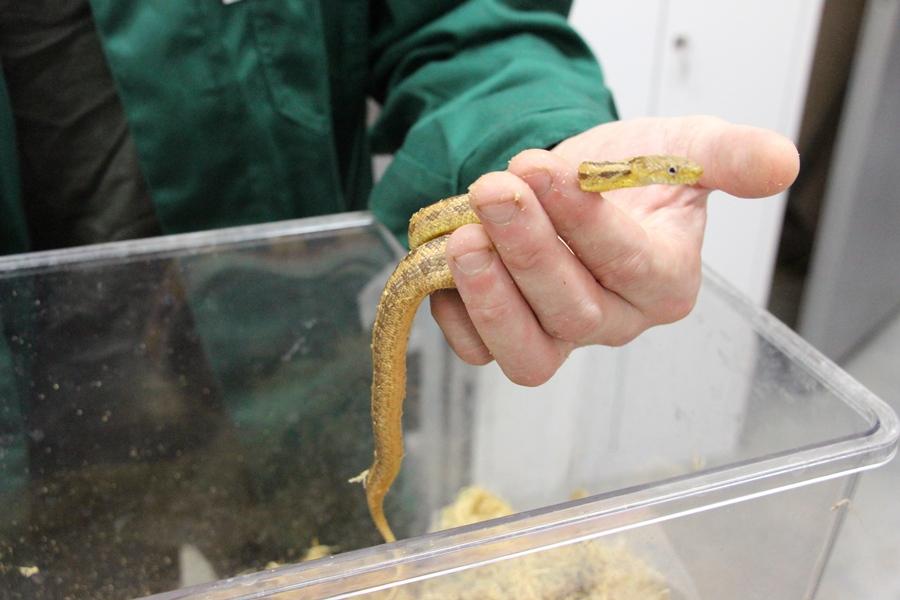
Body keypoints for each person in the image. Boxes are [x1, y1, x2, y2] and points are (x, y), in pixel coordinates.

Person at [0, 0, 799, 594]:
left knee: (344, 562)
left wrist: (534, 132)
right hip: (32, 436)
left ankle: (375, 492)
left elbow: (463, 17)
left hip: (295, 368)